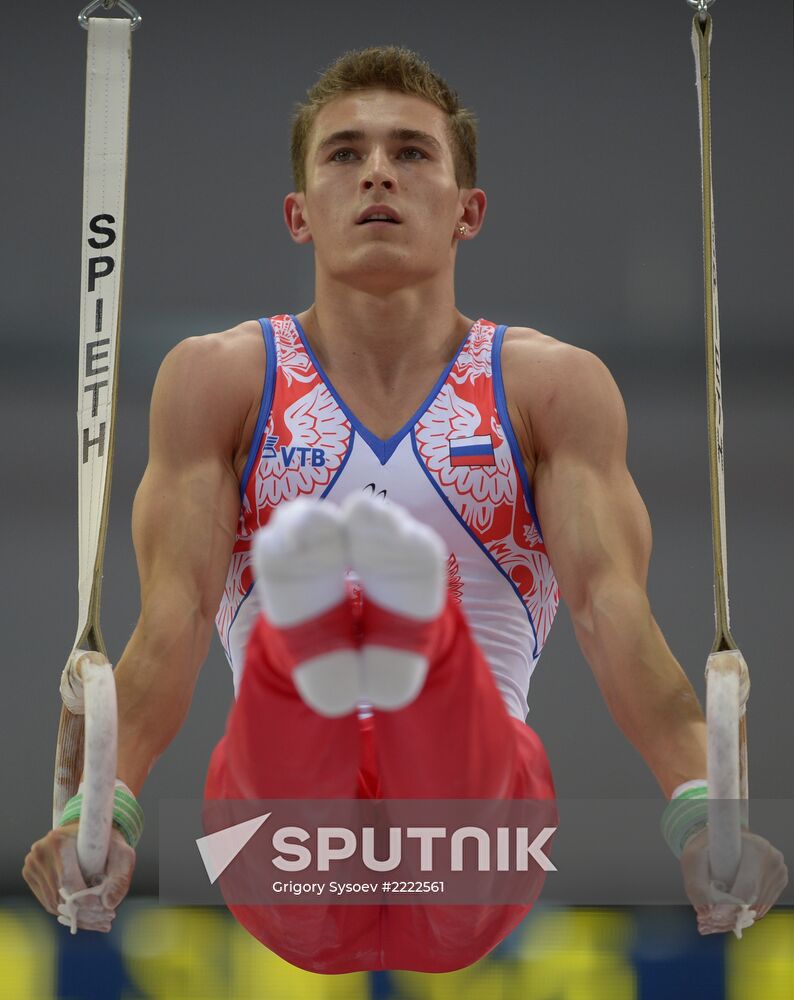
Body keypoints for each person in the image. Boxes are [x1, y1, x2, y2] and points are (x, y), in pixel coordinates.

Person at [24, 45, 786, 973]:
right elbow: (171, 622)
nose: (377, 169)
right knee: (285, 731)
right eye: (344, 153)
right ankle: (331, 641)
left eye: (412, 152)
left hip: (472, 829)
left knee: (449, 742)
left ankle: (391, 635)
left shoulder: (549, 388)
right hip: (293, 843)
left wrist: (705, 806)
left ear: (469, 211)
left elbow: (614, 615)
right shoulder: (219, 380)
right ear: (298, 214)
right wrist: (100, 809)